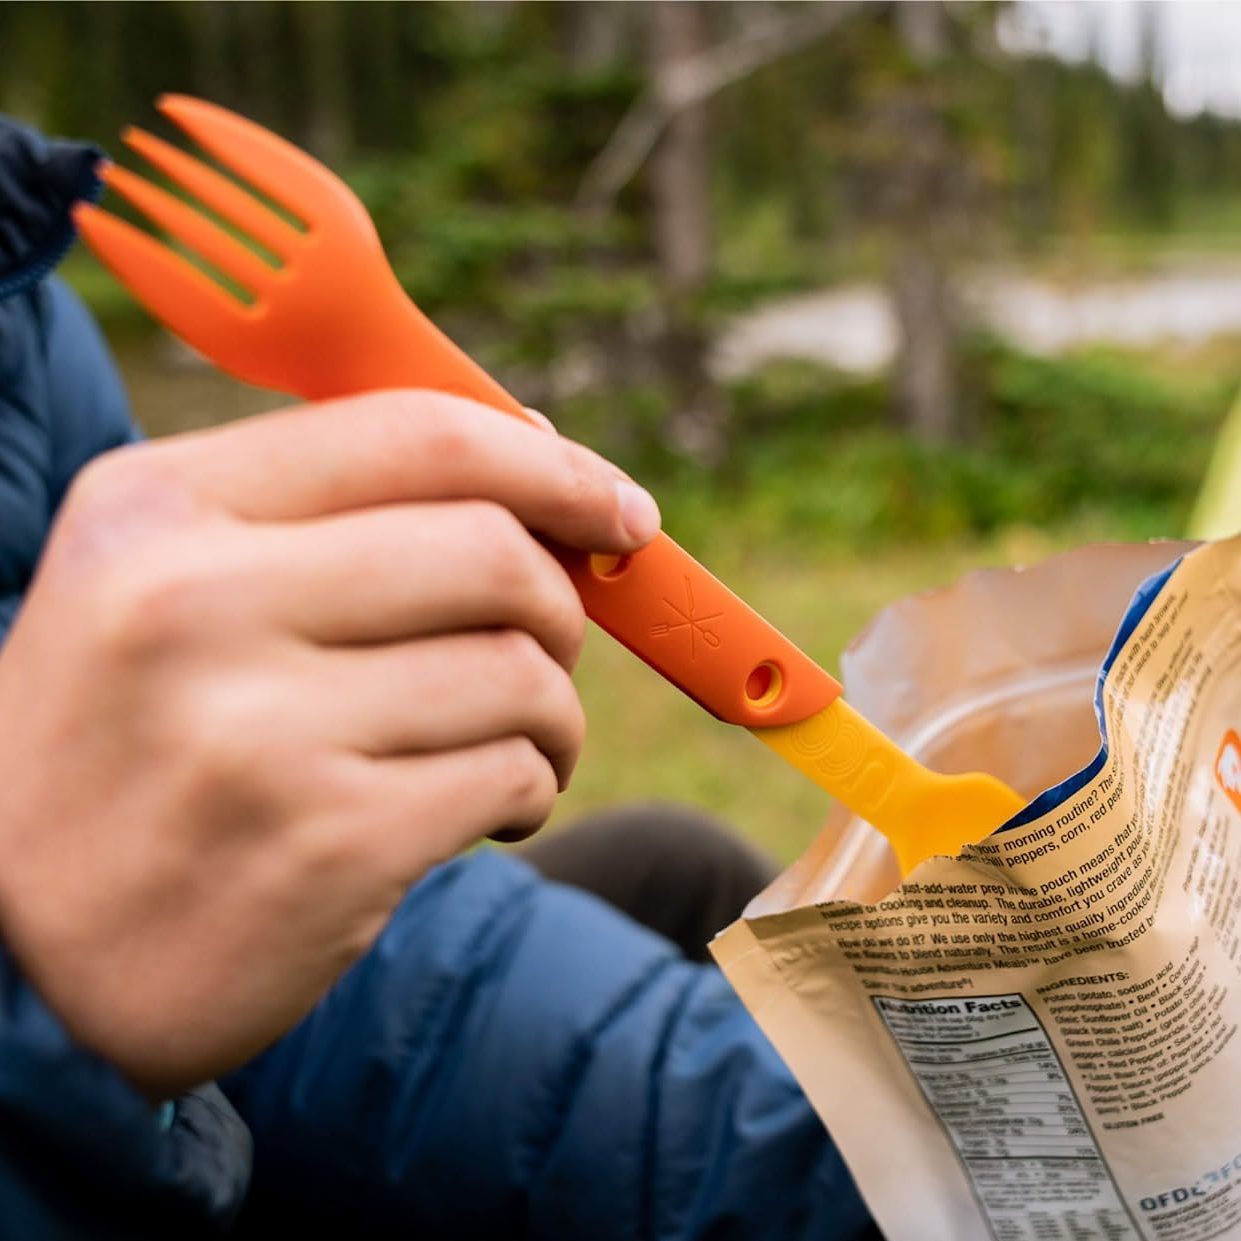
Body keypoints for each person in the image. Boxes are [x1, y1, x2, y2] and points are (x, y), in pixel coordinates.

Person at [0, 114, 877, 1239]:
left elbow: (384, 1001)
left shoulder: (21, 301)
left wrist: (911, 1153)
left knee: (677, 863)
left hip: (251, 1052)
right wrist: (46, 992)